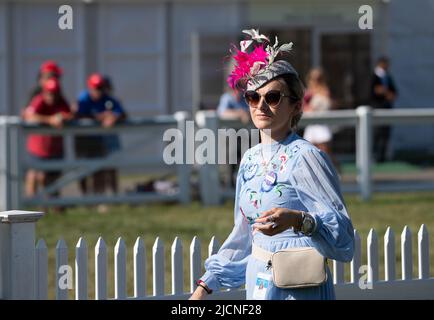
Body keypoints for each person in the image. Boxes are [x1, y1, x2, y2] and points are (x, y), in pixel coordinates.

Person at [190, 29, 354, 300]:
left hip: (299, 287)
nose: (261, 105)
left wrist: (299, 220)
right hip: (260, 283)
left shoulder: (306, 157)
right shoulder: (250, 159)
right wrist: (205, 286)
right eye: (253, 97)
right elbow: (243, 235)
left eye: (273, 97)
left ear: (295, 106)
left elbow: (342, 236)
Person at [74, 73, 126, 206]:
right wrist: (101, 117)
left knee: (99, 170)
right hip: (83, 140)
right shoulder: (84, 98)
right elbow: (78, 114)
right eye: (95, 88)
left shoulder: (107, 98)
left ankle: (98, 200)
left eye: (100, 88)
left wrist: (114, 117)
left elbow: (121, 112)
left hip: (98, 141)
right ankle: (85, 200)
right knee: (82, 170)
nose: (98, 91)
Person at [23, 77, 72, 203]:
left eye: (54, 93)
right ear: (44, 92)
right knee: (36, 175)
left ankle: (52, 205)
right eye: (49, 93)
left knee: (53, 178)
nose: (52, 96)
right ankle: (32, 204)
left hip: (54, 148)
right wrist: (49, 120)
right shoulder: (38, 100)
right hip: (38, 148)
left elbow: (70, 114)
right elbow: (29, 116)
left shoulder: (61, 101)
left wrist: (62, 117)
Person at [302, 68, 340, 172]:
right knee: (310, 152)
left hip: (322, 124)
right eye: (313, 78)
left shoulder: (325, 90)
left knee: (325, 152)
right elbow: (303, 106)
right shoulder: (308, 91)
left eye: (318, 78)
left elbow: (328, 105)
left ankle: (335, 170)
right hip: (312, 124)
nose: (315, 80)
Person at [371, 56, 398, 162]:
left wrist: (390, 94)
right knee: (377, 133)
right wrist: (383, 92)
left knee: (386, 133)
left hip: (387, 108)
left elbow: (394, 91)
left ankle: (382, 157)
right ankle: (374, 155)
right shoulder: (373, 76)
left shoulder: (388, 77)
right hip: (377, 109)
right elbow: (372, 91)